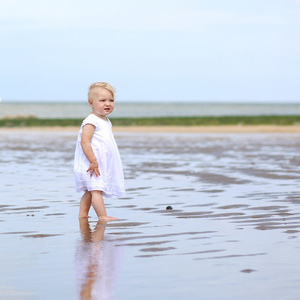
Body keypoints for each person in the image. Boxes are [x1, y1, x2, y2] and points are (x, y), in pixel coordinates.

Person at [74, 82, 125, 221]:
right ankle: (102, 216)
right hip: (92, 163)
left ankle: (82, 215)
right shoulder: (91, 121)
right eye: (102, 100)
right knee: (96, 190)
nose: (107, 103)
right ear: (91, 103)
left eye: (111, 100)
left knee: (90, 191)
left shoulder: (105, 120)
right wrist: (93, 161)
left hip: (99, 163)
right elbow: (84, 142)